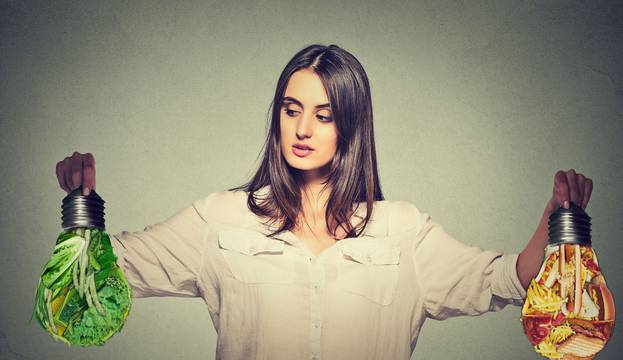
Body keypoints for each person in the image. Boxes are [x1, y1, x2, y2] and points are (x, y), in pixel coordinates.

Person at [55, 44, 594, 359]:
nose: (303, 128)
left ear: (351, 126)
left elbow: (503, 280)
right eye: (292, 109)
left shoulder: (403, 230)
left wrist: (554, 231)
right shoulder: (221, 218)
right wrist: (82, 210)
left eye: (324, 113)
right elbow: (109, 272)